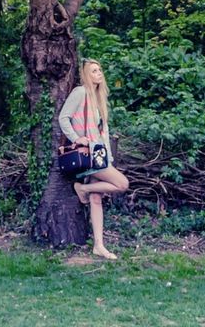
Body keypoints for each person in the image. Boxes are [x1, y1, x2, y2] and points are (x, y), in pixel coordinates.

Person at [58, 57, 129, 260]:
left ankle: (98, 245)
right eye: (94, 71)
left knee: (96, 200)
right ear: (86, 75)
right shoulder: (80, 92)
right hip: (87, 154)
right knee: (122, 184)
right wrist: (76, 138)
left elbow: (103, 133)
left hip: (99, 155)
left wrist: (109, 158)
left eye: (99, 70)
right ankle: (83, 189)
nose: (98, 73)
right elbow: (63, 117)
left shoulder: (99, 98)